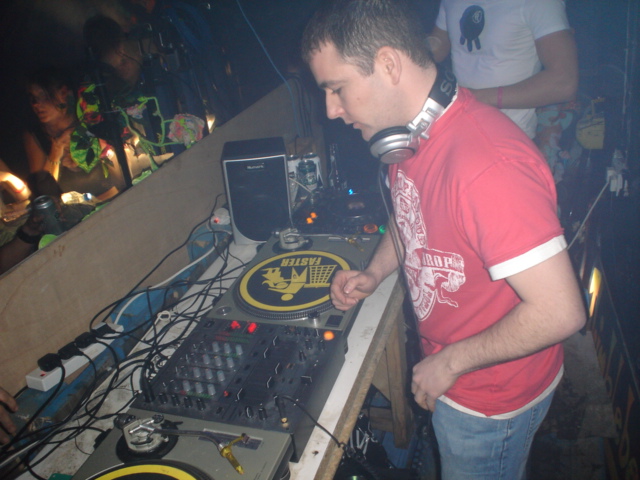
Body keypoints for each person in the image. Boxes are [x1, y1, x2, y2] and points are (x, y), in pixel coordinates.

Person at [301, 1, 586, 478]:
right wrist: (375, 272)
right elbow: (410, 213)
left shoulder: (488, 168)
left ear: (388, 65)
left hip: (489, 401)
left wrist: (450, 363)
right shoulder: (410, 134)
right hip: (457, 374)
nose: (332, 111)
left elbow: (561, 312)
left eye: (337, 89)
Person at [427, 0, 578, 141]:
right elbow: (438, 44)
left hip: (506, 137)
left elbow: (563, 82)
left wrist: (474, 98)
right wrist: (416, 48)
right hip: (456, 129)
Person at [22, 66, 125, 202]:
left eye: (43, 96)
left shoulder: (89, 117)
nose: (36, 104)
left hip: (118, 198)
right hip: (76, 212)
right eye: (33, 98)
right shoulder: (35, 136)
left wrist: (86, 139)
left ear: (64, 93)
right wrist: (56, 151)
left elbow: (125, 166)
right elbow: (43, 195)